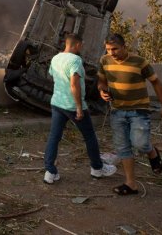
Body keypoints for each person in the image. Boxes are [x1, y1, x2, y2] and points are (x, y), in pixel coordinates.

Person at [98, 34, 162, 196]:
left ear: (124, 46)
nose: (112, 53)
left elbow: (156, 83)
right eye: (108, 49)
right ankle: (131, 184)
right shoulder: (104, 60)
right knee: (123, 148)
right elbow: (101, 80)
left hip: (139, 110)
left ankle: (152, 152)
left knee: (141, 145)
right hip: (117, 111)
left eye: (115, 49)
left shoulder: (140, 62)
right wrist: (102, 91)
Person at [43, 33, 117, 184]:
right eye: (81, 45)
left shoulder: (56, 58)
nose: (81, 48)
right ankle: (97, 168)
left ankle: (49, 172)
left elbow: (53, 76)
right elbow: (74, 84)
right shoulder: (76, 60)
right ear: (76, 45)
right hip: (72, 105)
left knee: (54, 137)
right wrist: (78, 108)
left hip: (57, 103)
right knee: (89, 136)